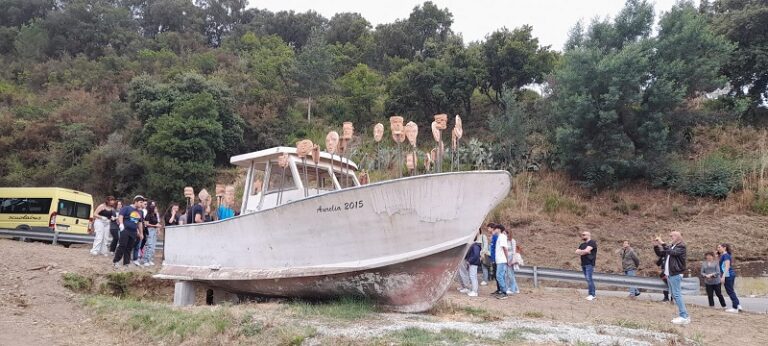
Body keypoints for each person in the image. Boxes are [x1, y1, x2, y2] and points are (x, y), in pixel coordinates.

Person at [654, 231, 690, 325]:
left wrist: (662, 242)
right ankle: (683, 315)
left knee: (677, 295)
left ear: (678, 237)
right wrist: (656, 245)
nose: (670, 237)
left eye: (672, 236)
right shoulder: (672, 246)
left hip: (675, 273)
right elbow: (661, 253)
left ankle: (684, 316)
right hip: (670, 274)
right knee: (674, 294)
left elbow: (671, 252)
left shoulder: (681, 246)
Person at [113, 196, 145, 268]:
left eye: (142, 203)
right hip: (125, 230)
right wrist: (121, 224)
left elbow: (140, 223)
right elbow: (121, 216)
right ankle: (116, 261)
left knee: (129, 247)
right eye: (140, 202)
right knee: (122, 245)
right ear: (135, 202)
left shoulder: (140, 212)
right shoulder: (126, 208)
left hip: (133, 232)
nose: (141, 204)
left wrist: (141, 233)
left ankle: (126, 263)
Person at [718, 243, 743, 313]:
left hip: (728, 275)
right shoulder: (724, 255)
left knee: (730, 291)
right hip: (729, 275)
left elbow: (727, 266)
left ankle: (735, 308)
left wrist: (723, 276)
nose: (718, 249)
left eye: (719, 247)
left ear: (724, 248)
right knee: (731, 291)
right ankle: (738, 305)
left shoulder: (725, 255)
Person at [575, 231, 597, 301]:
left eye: (584, 235)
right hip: (583, 263)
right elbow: (576, 252)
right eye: (582, 235)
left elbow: (586, 251)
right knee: (588, 279)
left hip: (589, 264)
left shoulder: (592, 242)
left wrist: (583, 251)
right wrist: (584, 251)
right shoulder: (582, 244)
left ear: (588, 235)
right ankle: (591, 294)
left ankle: (592, 295)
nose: (582, 236)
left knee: (589, 279)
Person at [141, 201, 161, 266]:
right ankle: (145, 260)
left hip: (154, 230)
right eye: (155, 209)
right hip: (150, 230)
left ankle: (150, 259)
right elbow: (146, 224)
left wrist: (158, 227)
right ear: (152, 209)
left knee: (153, 245)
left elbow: (157, 222)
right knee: (149, 245)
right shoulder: (148, 215)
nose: (156, 210)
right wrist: (155, 226)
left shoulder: (155, 215)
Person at [494, 224, 510, 300]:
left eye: (495, 229)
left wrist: (507, 260)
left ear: (499, 229)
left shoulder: (502, 237)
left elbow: (505, 249)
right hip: (499, 260)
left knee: (499, 276)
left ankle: (504, 292)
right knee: (500, 276)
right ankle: (502, 291)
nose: (494, 230)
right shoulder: (500, 237)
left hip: (502, 260)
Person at [505, 229, 519, 295]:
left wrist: (511, 260)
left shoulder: (512, 241)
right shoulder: (505, 241)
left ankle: (513, 289)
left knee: (510, 274)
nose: (505, 235)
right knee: (508, 274)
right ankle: (516, 289)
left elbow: (514, 252)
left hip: (510, 258)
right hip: (506, 258)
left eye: (506, 233)